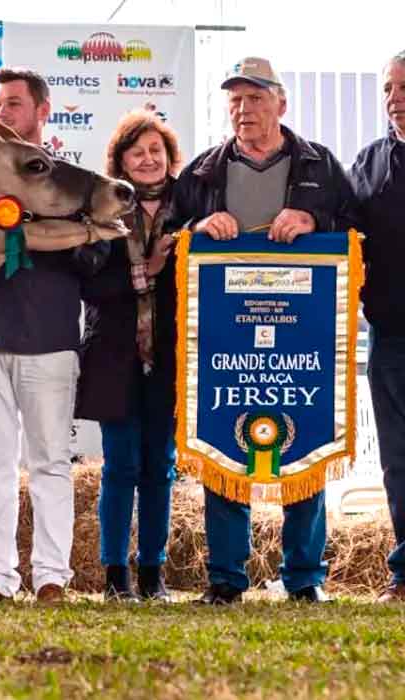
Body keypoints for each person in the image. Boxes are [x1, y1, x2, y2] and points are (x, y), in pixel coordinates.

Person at [167, 56, 357, 604]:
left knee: (308, 444)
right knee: (223, 441)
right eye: (235, 100)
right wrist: (199, 226)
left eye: (254, 98)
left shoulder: (322, 164)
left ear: (281, 104)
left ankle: (305, 580)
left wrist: (315, 222)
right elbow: (169, 227)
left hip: (303, 336)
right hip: (224, 338)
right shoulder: (203, 170)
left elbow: (356, 224)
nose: (243, 110)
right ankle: (226, 579)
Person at [0, 67, 104, 604]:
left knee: (48, 462)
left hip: (49, 336)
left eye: (14, 104)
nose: (2, 114)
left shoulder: (72, 181)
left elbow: (98, 256)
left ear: (42, 112)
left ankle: (51, 576)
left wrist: (54, 230)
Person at [77, 109, 182, 602]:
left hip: (171, 357)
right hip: (115, 356)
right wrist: (149, 269)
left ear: (168, 158)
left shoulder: (188, 205)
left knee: (160, 465)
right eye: (136, 152)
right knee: (119, 465)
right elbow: (90, 283)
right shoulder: (103, 208)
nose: (147, 160)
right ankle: (115, 574)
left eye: (155, 151)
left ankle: (153, 573)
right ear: (120, 160)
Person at [350, 50, 405, 603]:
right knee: (399, 462)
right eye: (390, 89)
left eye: (404, 89)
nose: (395, 100)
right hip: (390, 340)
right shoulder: (367, 163)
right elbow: (341, 234)